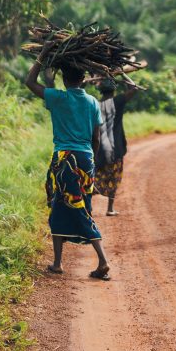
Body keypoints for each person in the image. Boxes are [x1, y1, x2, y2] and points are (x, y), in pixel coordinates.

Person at [25, 62, 111, 280]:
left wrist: (42, 58)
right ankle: (58, 263)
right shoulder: (92, 101)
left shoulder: (58, 98)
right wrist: (91, 163)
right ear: (84, 79)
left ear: (64, 79)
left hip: (64, 159)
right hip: (85, 159)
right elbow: (96, 138)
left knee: (65, 208)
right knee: (78, 206)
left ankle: (100, 261)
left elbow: (29, 82)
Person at [94, 78, 138, 216]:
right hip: (115, 147)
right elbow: (133, 88)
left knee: (95, 175)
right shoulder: (117, 101)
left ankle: (88, 206)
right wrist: (123, 74)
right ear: (114, 90)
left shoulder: (95, 104)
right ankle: (110, 208)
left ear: (101, 90)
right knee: (114, 176)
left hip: (98, 148)